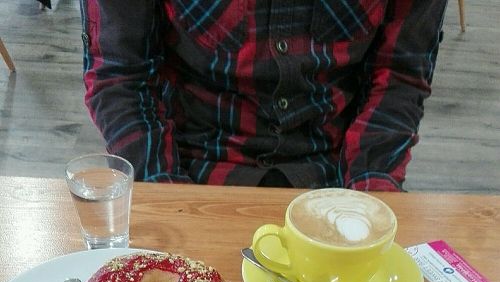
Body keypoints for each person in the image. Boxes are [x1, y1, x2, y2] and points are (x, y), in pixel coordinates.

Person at [78, 0, 448, 190]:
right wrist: (167, 196)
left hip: (338, 175)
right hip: (189, 169)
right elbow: (121, 74)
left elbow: (399, 73)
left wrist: (370, 198)